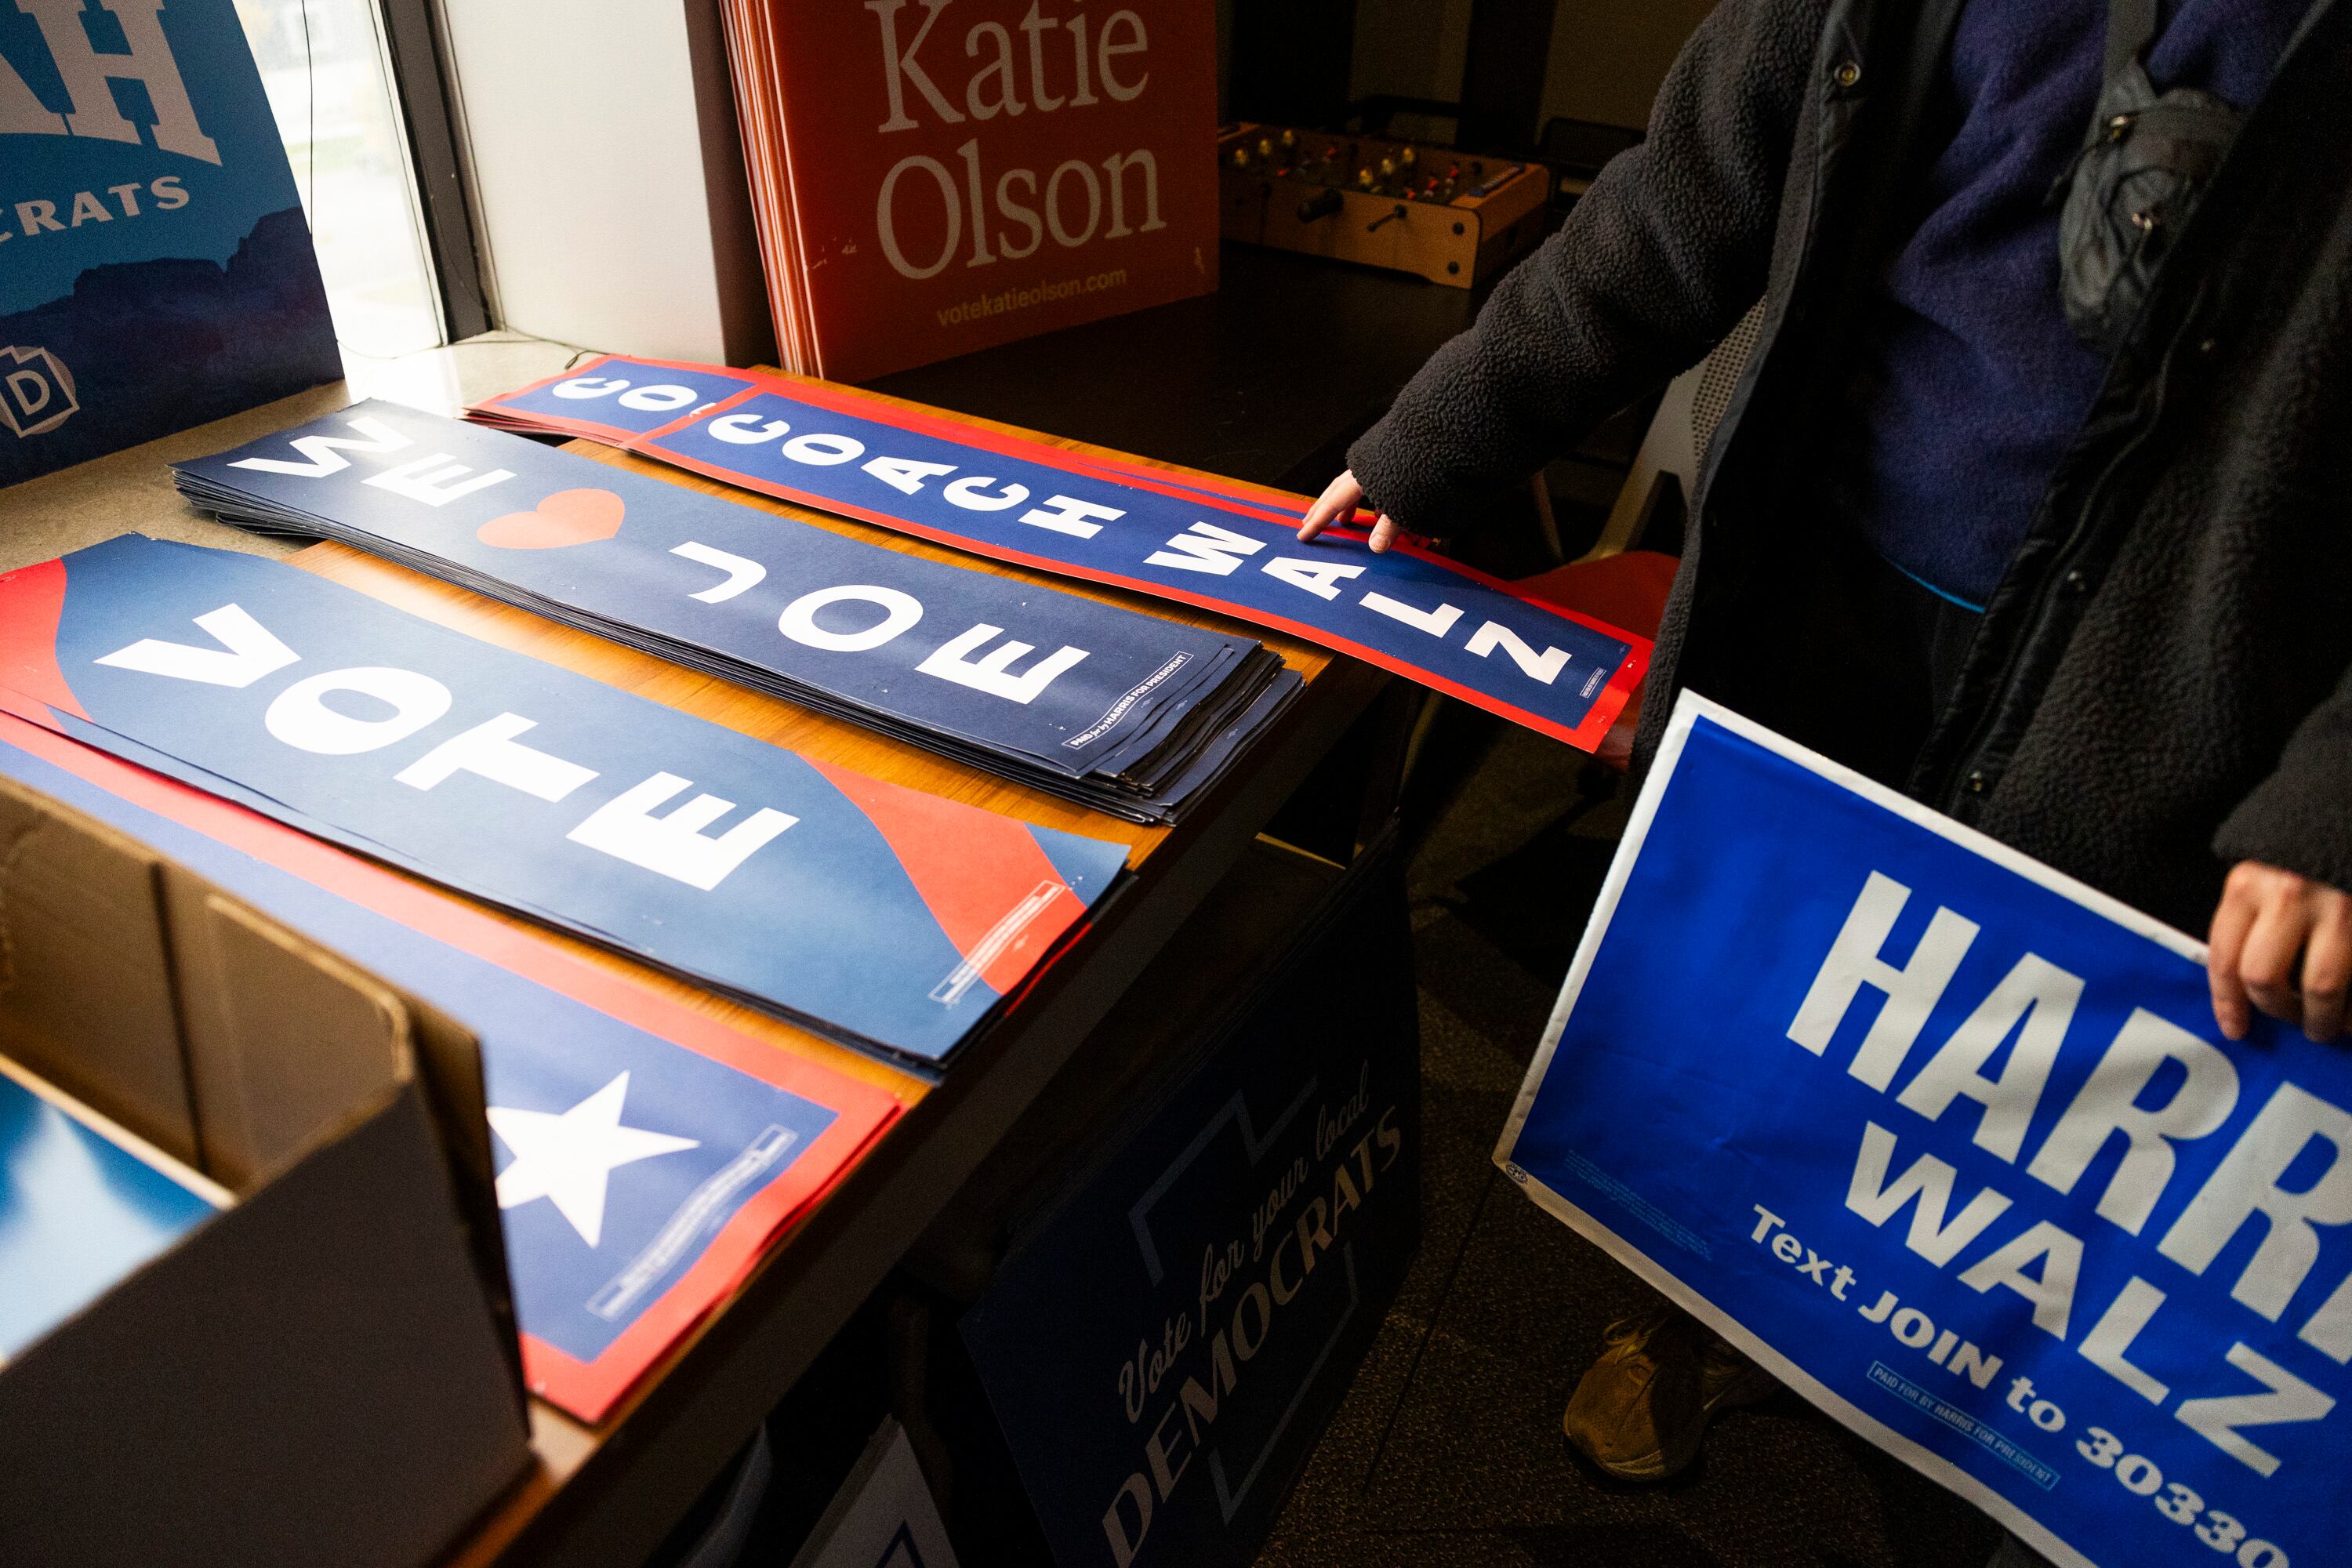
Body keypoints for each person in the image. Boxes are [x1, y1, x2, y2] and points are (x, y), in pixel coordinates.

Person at [1294, 0, 2352, 1536]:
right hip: (1823, 604)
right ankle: (1699, 1314)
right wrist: (1442, 438)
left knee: (2031, 1104)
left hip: (2164, 697)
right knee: (1758, 1026)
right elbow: (1676, 204)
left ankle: (1961, 1424)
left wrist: (2333, 800)